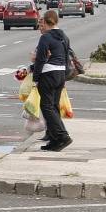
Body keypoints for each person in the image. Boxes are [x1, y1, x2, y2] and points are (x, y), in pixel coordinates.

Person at [32, 9, 72, 151]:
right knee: (53, 107)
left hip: (48, 74)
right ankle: (55, 140)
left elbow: (41, 59)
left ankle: (62, 136)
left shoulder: (46, 37)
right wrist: (65, 75)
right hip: (61, 74)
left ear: (47, 22)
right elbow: (67, 57)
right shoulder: (64, 37)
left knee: (47, 106)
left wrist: (35, 78)